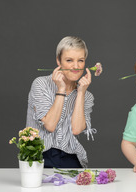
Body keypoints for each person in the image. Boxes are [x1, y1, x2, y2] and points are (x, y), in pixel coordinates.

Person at [26, 36, 95, 168]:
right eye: (69, 60)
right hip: (40, 156)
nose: (76, 66)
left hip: (71, 156)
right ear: (59, 61)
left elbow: (76, 129)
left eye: (80, 60)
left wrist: (81, 93)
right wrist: (61, 89)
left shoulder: (87, 95)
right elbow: (50, 125)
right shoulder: (41, 84)